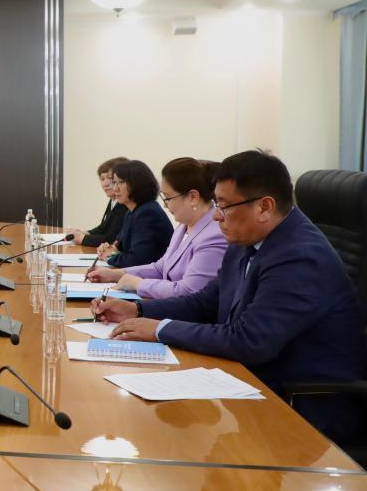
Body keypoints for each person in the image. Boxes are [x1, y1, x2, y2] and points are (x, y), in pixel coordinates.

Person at [93, 150, 366, 439]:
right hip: (251, 382)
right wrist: (138, 310)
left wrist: (161, 329)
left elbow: (249, 341)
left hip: (302, 408)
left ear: (264, 207)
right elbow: (206, 302)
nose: (216, 216)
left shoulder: (299, 256)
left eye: (223, 206)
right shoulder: (247, 240)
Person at [88, 157, 227, 298]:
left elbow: (188, 291)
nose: (165, 205)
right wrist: (116, 274)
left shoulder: (214, 236)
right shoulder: (183, 226)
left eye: (167, 197)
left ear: (193, 197)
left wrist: (138, 284)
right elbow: (161, 267)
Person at [97, 159, 173, 269]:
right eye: (114, 182)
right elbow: (119, 246)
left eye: (121, 182)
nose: (115, 188)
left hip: (151, 277)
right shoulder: (131, 212)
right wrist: (108, 248)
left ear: (137, 184)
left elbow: (138, 260)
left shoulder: (148, 213)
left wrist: (110, 256)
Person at [66, 157, 127, 247]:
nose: (105, 184)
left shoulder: (124, 203)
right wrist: (84, 233)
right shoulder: (113, 200)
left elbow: (112, 239)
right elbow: (103, 228)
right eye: (102, 179)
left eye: (110, 178)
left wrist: (82, 238)